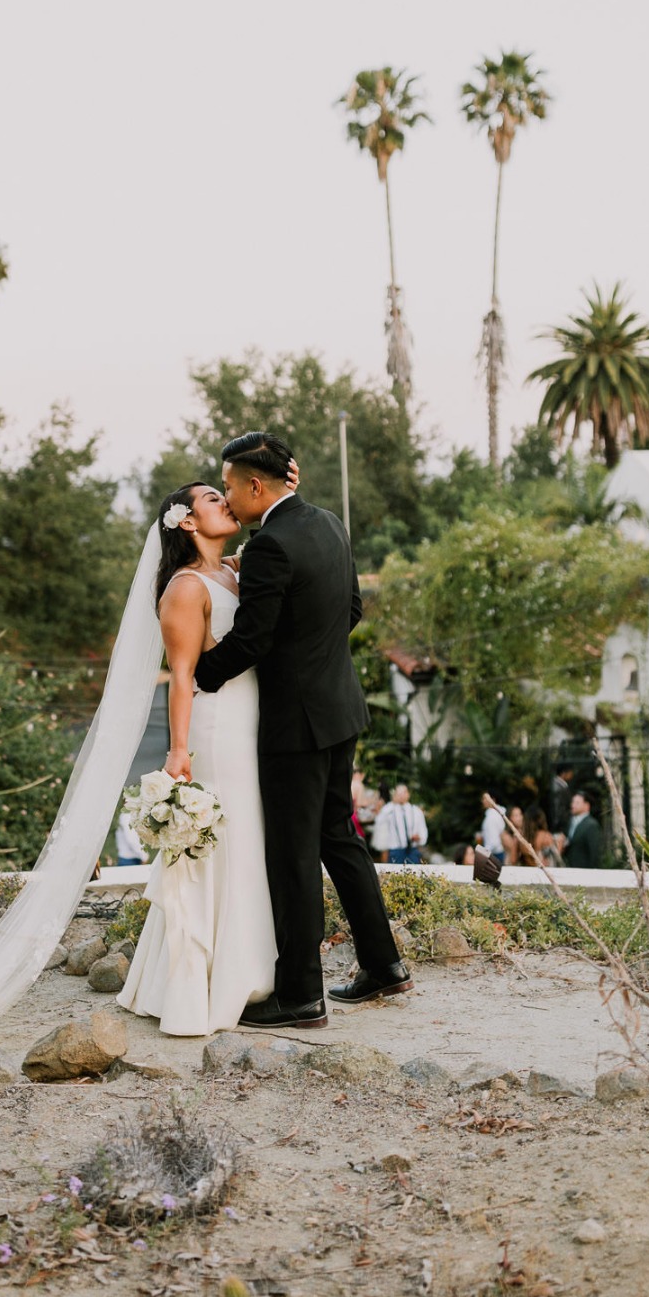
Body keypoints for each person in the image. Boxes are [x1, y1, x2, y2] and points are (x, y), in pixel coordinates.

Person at [192, 432, 408, 1029]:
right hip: (341, 709)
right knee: (339, 838)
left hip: (295, 723)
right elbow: (352, 610)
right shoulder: (330, 524)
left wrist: (195, 674)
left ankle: (301, 995)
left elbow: (253, 640)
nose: (230, 499)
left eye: (231, 486)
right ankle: (383, 964)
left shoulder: (270, 548)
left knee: (292, 855)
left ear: (256, 485)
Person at [117, 480, 278, 1035]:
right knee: (221, 843)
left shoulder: (235, 569)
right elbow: (181, 679)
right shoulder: (184, 589)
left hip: (253, 721)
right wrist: (179, 751)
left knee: (250, 838)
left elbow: (272, 527)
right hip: (216, 727)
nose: (226, 502)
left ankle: (255, 965)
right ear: (186, 521)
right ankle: (203, 979)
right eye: (213, 498)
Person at [370, 783, 427, 864]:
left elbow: (422, 829)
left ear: (408, 794)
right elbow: (379, 821)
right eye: (398, 794)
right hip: (395, 850)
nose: (401, 796)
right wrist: (392, 803)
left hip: (412, 850)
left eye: (403, 793)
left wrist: (420, 838)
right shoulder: (390, 809)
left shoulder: (415, 811)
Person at [562, 791, 604, 868]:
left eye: (577, 803)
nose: (573, 805)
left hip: (584, 870)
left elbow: (594, 853)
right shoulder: (570, 822)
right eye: (573, 802)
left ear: (587, 805)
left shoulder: (591, 825)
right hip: (569, 869)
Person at [477, 792, 508, 866]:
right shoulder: (499, 813)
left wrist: (482, 854)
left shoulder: (491, 817)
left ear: (492, 800)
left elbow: (493, 841)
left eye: (484, 798)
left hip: (494, 854)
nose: (482, 801)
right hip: (501, 852)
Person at [549, 762, 575, 846]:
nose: (572, 774)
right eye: (570, 772)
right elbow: (558, 810)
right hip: (559, 829)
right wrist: (561, 829)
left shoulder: (559, 786)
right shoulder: (558, 788)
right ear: (564, 773)